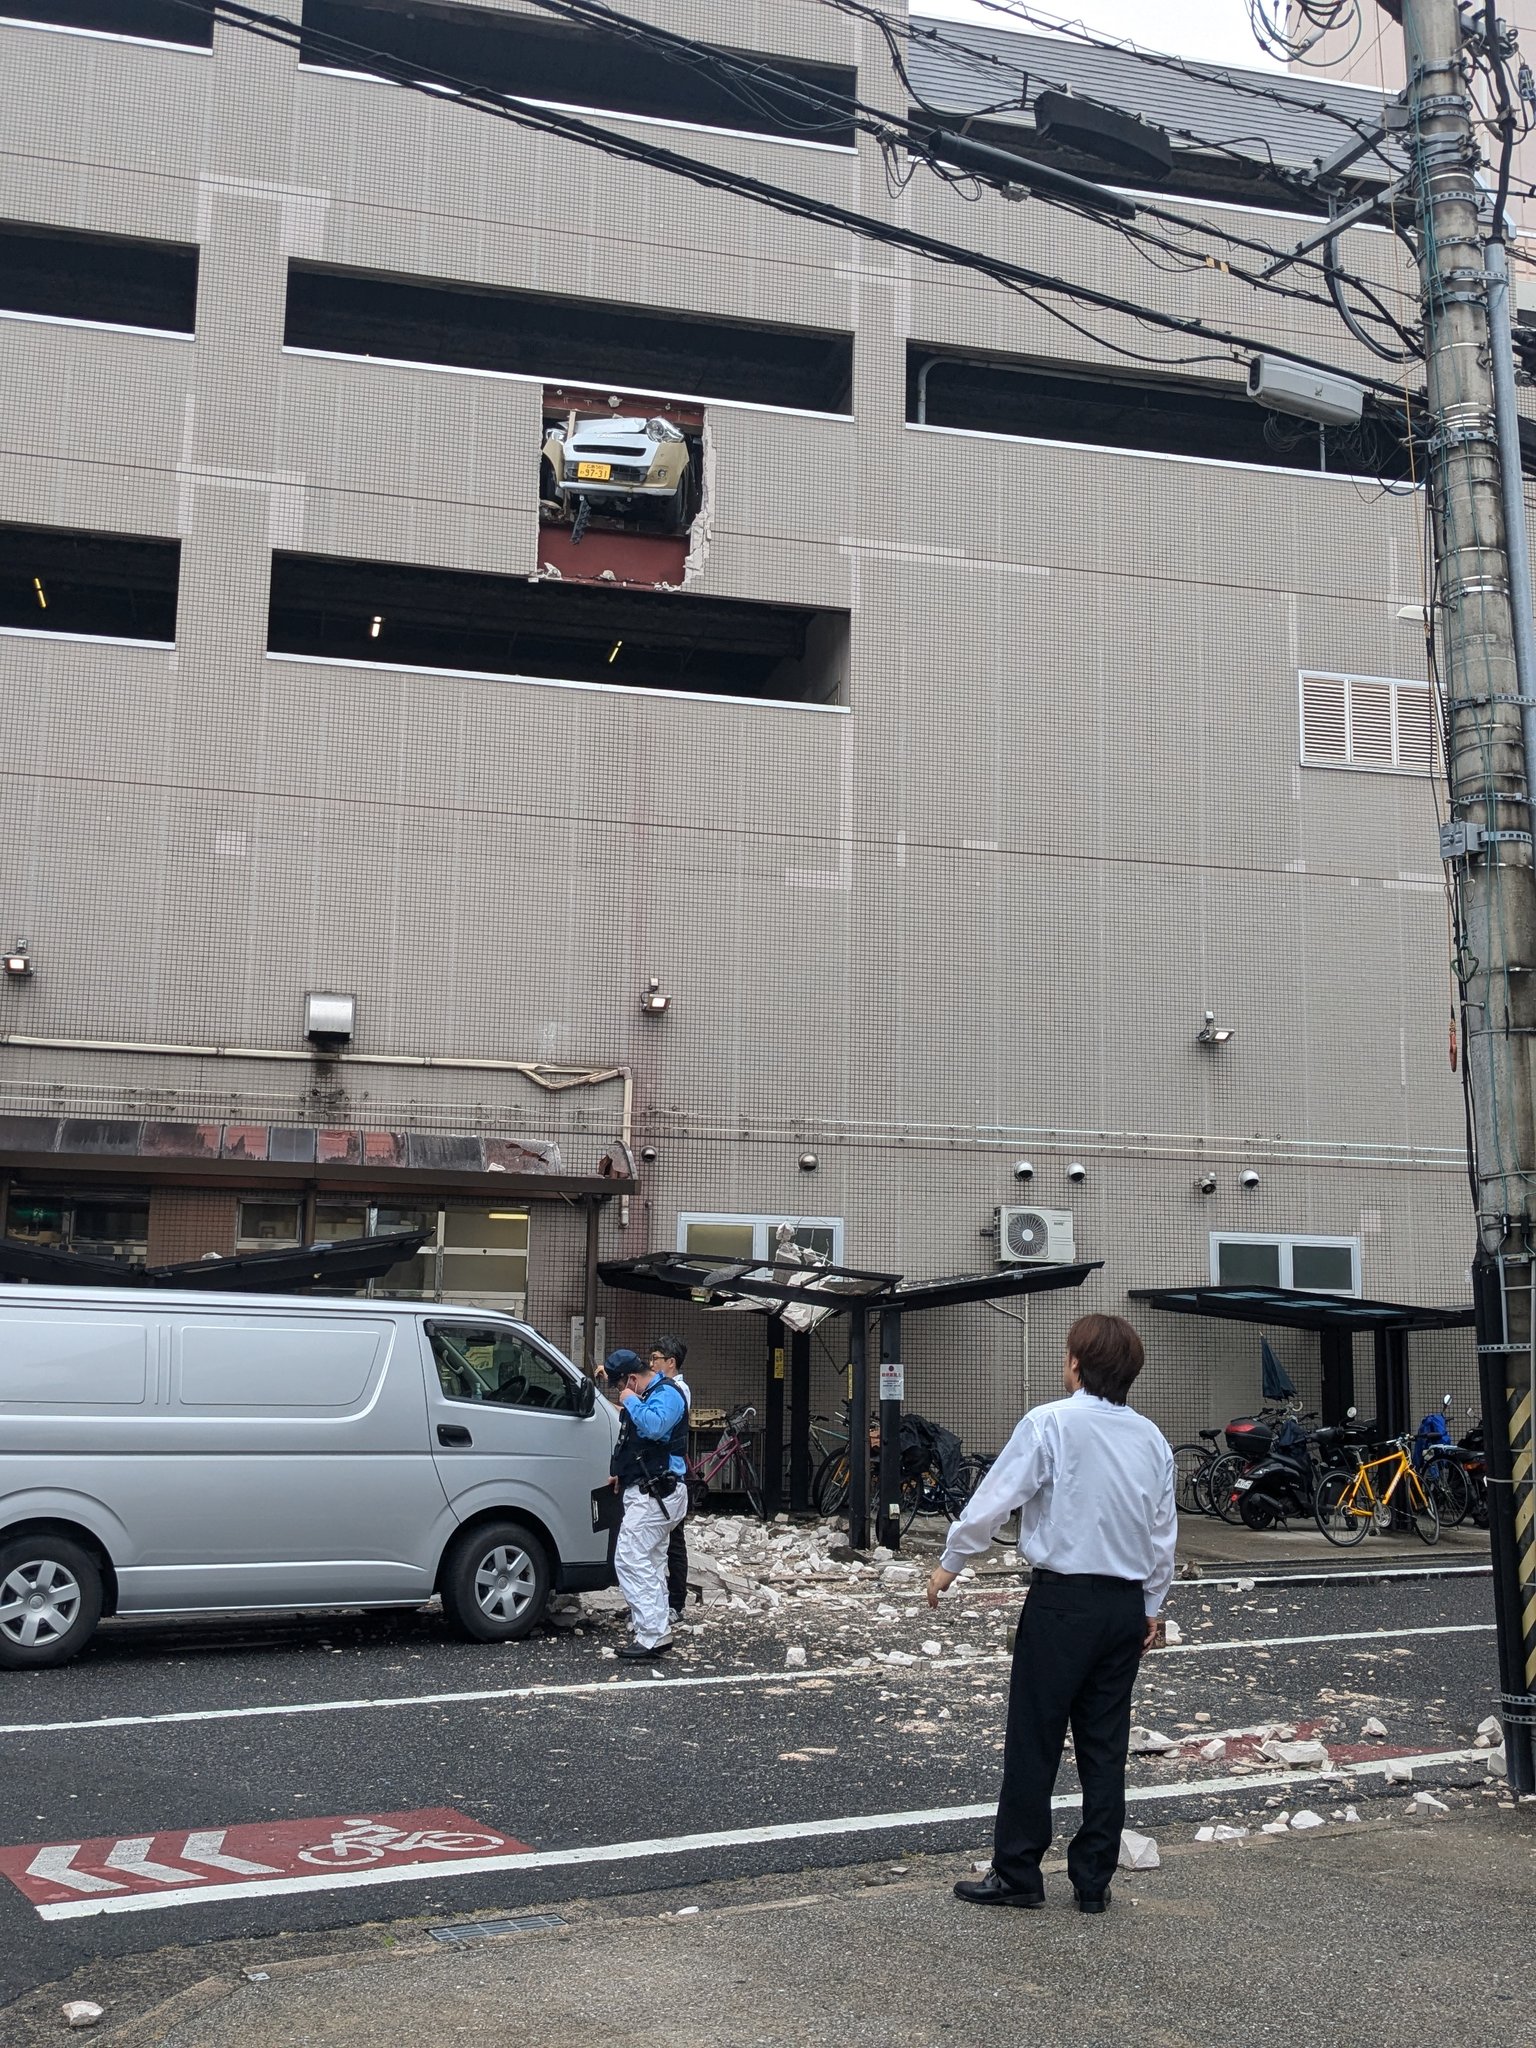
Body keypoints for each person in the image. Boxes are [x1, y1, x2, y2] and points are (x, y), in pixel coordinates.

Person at [928, 1313, 1176, 1915]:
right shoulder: (1152, 1439)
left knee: (1035, 1738)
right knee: (1104, 1745)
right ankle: (1092, 1881)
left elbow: (997, 1497)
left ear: (1075, 1365)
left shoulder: (1050, 1422)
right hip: (1123, 1605)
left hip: (1061, 1601)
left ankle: (1018, 1872)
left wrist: (952, 1561)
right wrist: (1151, 1605)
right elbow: (1163, 1534)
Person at [605, 1348, 689, 1661]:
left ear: (630, 1378)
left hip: (657, 1494)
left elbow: (654, 1427)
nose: (620, 1390)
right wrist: (621, 1475)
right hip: (649, 1490)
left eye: (620, 1385)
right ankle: (655, 1630)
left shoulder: (667, 1394)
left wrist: (628, 1398)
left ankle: (653, 1633)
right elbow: (636, 1442)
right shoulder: (651, 1394)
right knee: (650, 1561)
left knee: (629, 1557)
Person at [648, 1334, 693, 1621]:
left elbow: (655, 1425)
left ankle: (675, 1602)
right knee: (659, 1541)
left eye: (655, 1359)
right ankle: (656, 1601)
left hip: (671, 1474)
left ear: (671, 1363)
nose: (650, 1364)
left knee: (673, 1540)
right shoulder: (662, 1388)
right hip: (660, 1472)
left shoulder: (676, 1391)